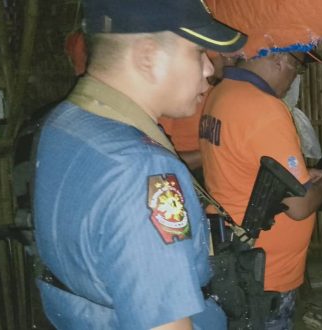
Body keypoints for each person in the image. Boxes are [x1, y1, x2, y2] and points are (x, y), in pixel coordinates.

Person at [33, 0, 247, 328]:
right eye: (197, 52)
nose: (208, 69)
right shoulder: (142, 170)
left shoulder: (65, 121)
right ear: (148, 57)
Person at [199, 50, 322, 329]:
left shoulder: (221, 94)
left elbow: (245, 165)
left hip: (234, 254)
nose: (293, 79)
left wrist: (303, 176)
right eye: (297, 69)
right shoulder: (265, 108)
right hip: (264, 272)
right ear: (280, 60)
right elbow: (299, 206)